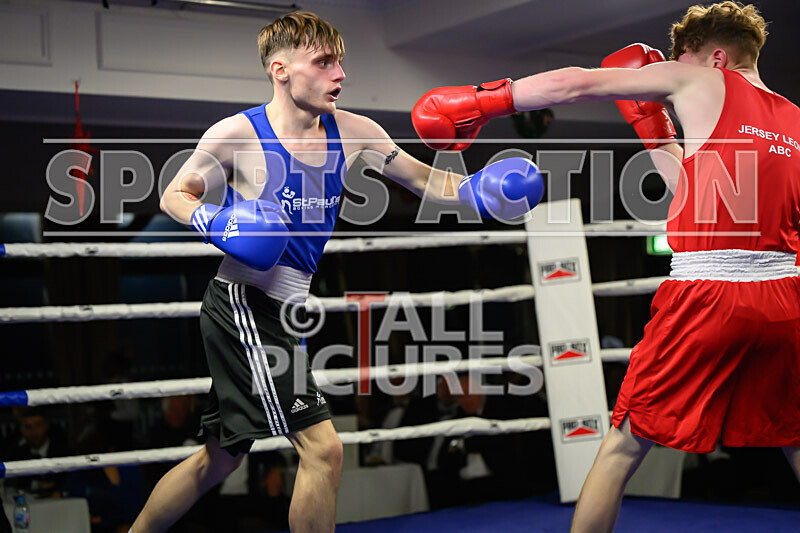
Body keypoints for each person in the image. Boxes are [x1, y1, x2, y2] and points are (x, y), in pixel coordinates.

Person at [135, 10, 543, 533]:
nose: (340, 74)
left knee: (220, 459)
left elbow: (426, 181)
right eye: (324, 62)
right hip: (243, 305)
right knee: (323, 450)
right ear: (280, 70)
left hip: (286, 308)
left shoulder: (356, 131)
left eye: (341, 63)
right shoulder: (236, 134)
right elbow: (174, 192)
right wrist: (215, 220)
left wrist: (478, 190)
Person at [411, 2, 800, 532]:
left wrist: (486, 100)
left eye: (681, 61)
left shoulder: (702, 79)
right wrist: (655, 134)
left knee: (621, 448)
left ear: (713, 56)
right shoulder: (794, 121)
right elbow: (697, 195)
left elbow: (574, 84)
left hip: (707, 296)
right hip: (783, 300)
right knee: (794, 440)